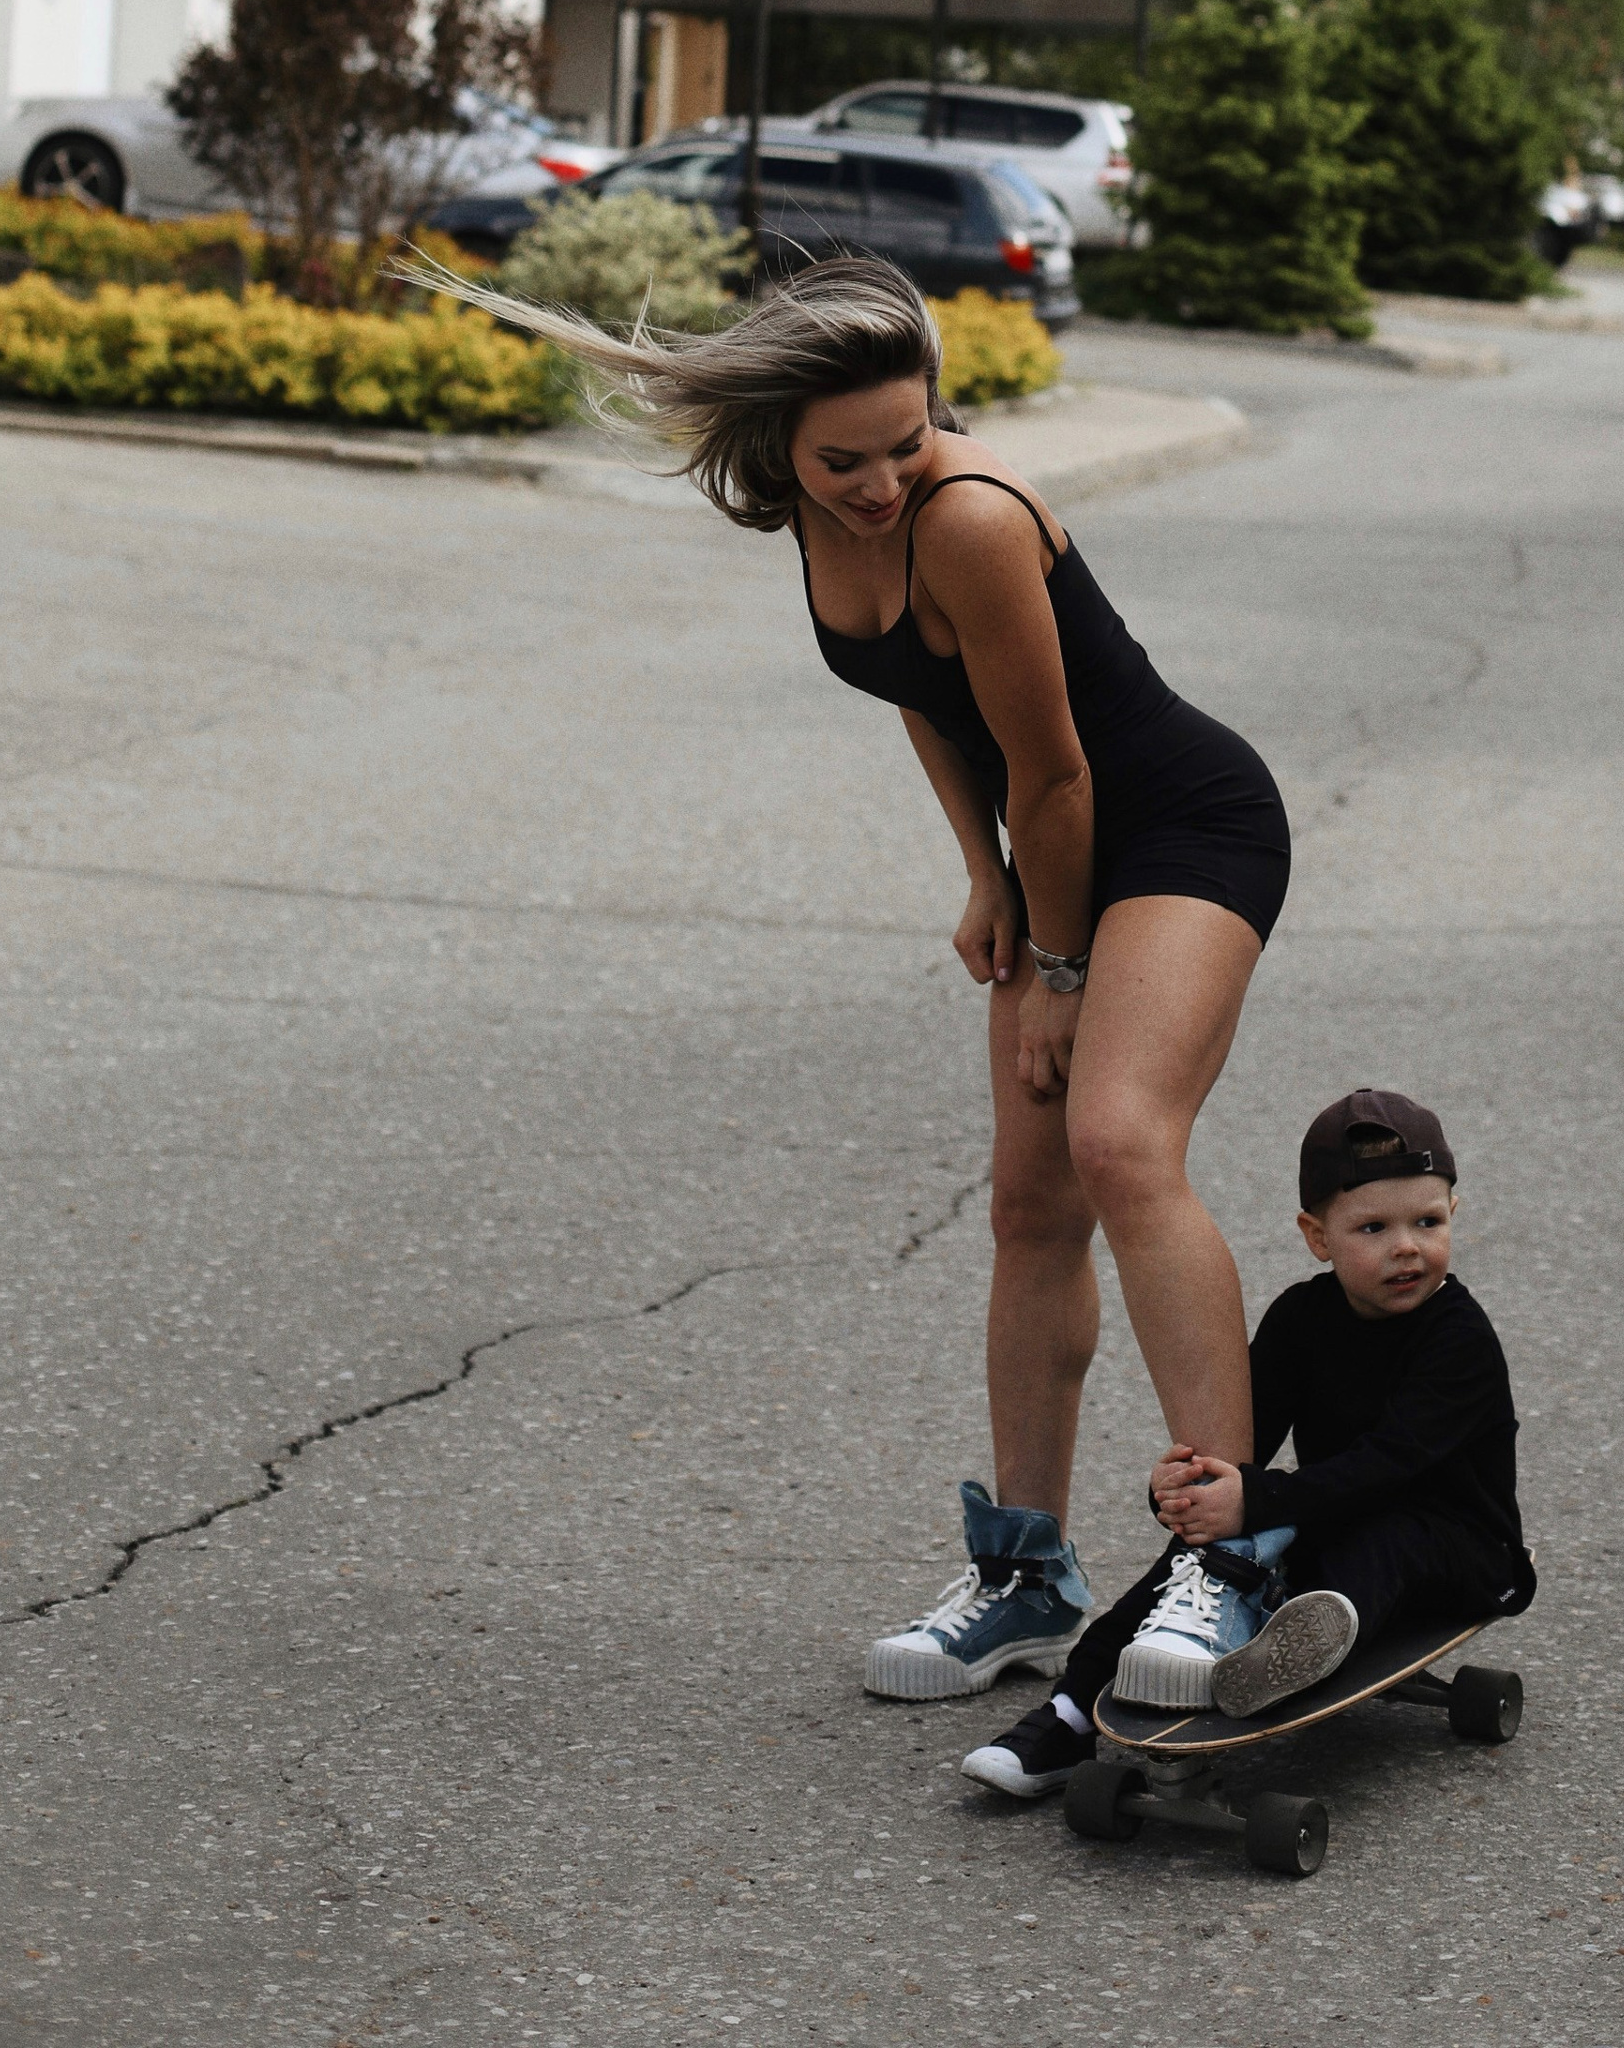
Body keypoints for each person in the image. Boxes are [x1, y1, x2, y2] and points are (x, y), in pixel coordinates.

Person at [451, 246, 1291, 1701]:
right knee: (1031, 1203)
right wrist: (981, 873)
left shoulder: (964, 518)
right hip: (1048, 844)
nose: (883, 480)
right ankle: (1028, 1573)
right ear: (778, 439)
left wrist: (1060, 966)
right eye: (848, 458)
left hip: (1172, 821)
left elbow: (1061, 763)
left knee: (1116, 1144)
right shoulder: (812, 504)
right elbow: (922, 689)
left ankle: (1230, 1561)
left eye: (910, 440)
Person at [962, 1085, 1534, 1797]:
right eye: (1373, 1229)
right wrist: (1184, 1493)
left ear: (1454, 1213)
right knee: (1195, 1557)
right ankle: (1068, 1712)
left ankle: (1290, 1653)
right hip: (1335, 1512)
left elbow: (1390, 1465)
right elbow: (1247, 1442)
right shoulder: (1302, 1318)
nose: (1407, 1246)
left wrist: (1256, 1501)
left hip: (1460, 1544)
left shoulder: (1459, 1339)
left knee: (1388, 1535)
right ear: (1318, 1236)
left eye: (1427, 1219)